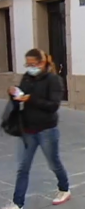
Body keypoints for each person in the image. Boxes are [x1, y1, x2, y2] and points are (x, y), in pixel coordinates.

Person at [2, 49, 71, 209]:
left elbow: (53, 106)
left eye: (33, 64)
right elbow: (22, 93)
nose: (30, 67)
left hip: (47, 130)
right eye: (28, 64)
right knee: (23, 168)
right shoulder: (27, 77)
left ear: (41, 63)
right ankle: (17, 203)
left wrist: (30, 99)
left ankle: (64, 188)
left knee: (54, 163)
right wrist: (14, 93)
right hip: (27, 130)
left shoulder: (54, 80)